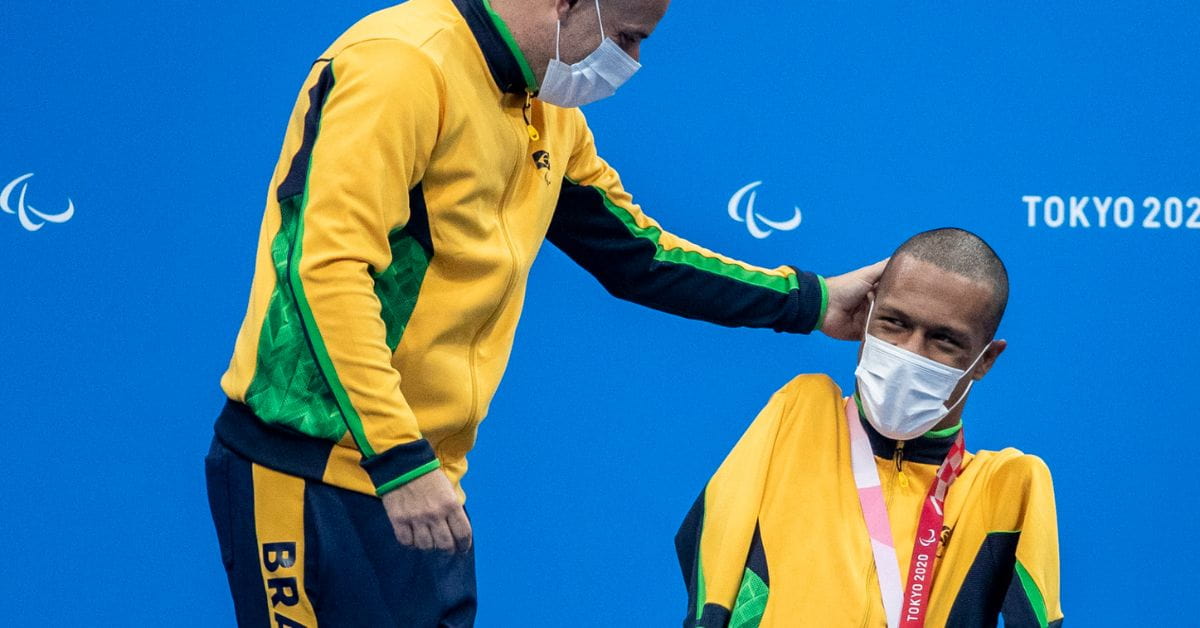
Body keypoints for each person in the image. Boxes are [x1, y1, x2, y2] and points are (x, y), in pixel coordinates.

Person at [203, 0, 884, 625]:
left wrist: (813, 301)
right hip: (312, 465)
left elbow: (636, 253)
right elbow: (325, 270)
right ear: (565, 3)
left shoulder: (547, 111)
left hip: (423, 480)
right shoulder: (402, 64)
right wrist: (397, 458)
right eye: (626, 37)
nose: (632, 63)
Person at [676, 228, 1063, 628]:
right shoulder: (799, 416)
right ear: (866, 313)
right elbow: (709, 572)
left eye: (943, 340)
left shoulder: (1007, 487)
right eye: (894, 323)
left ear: (985, 360)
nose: (909, 352)